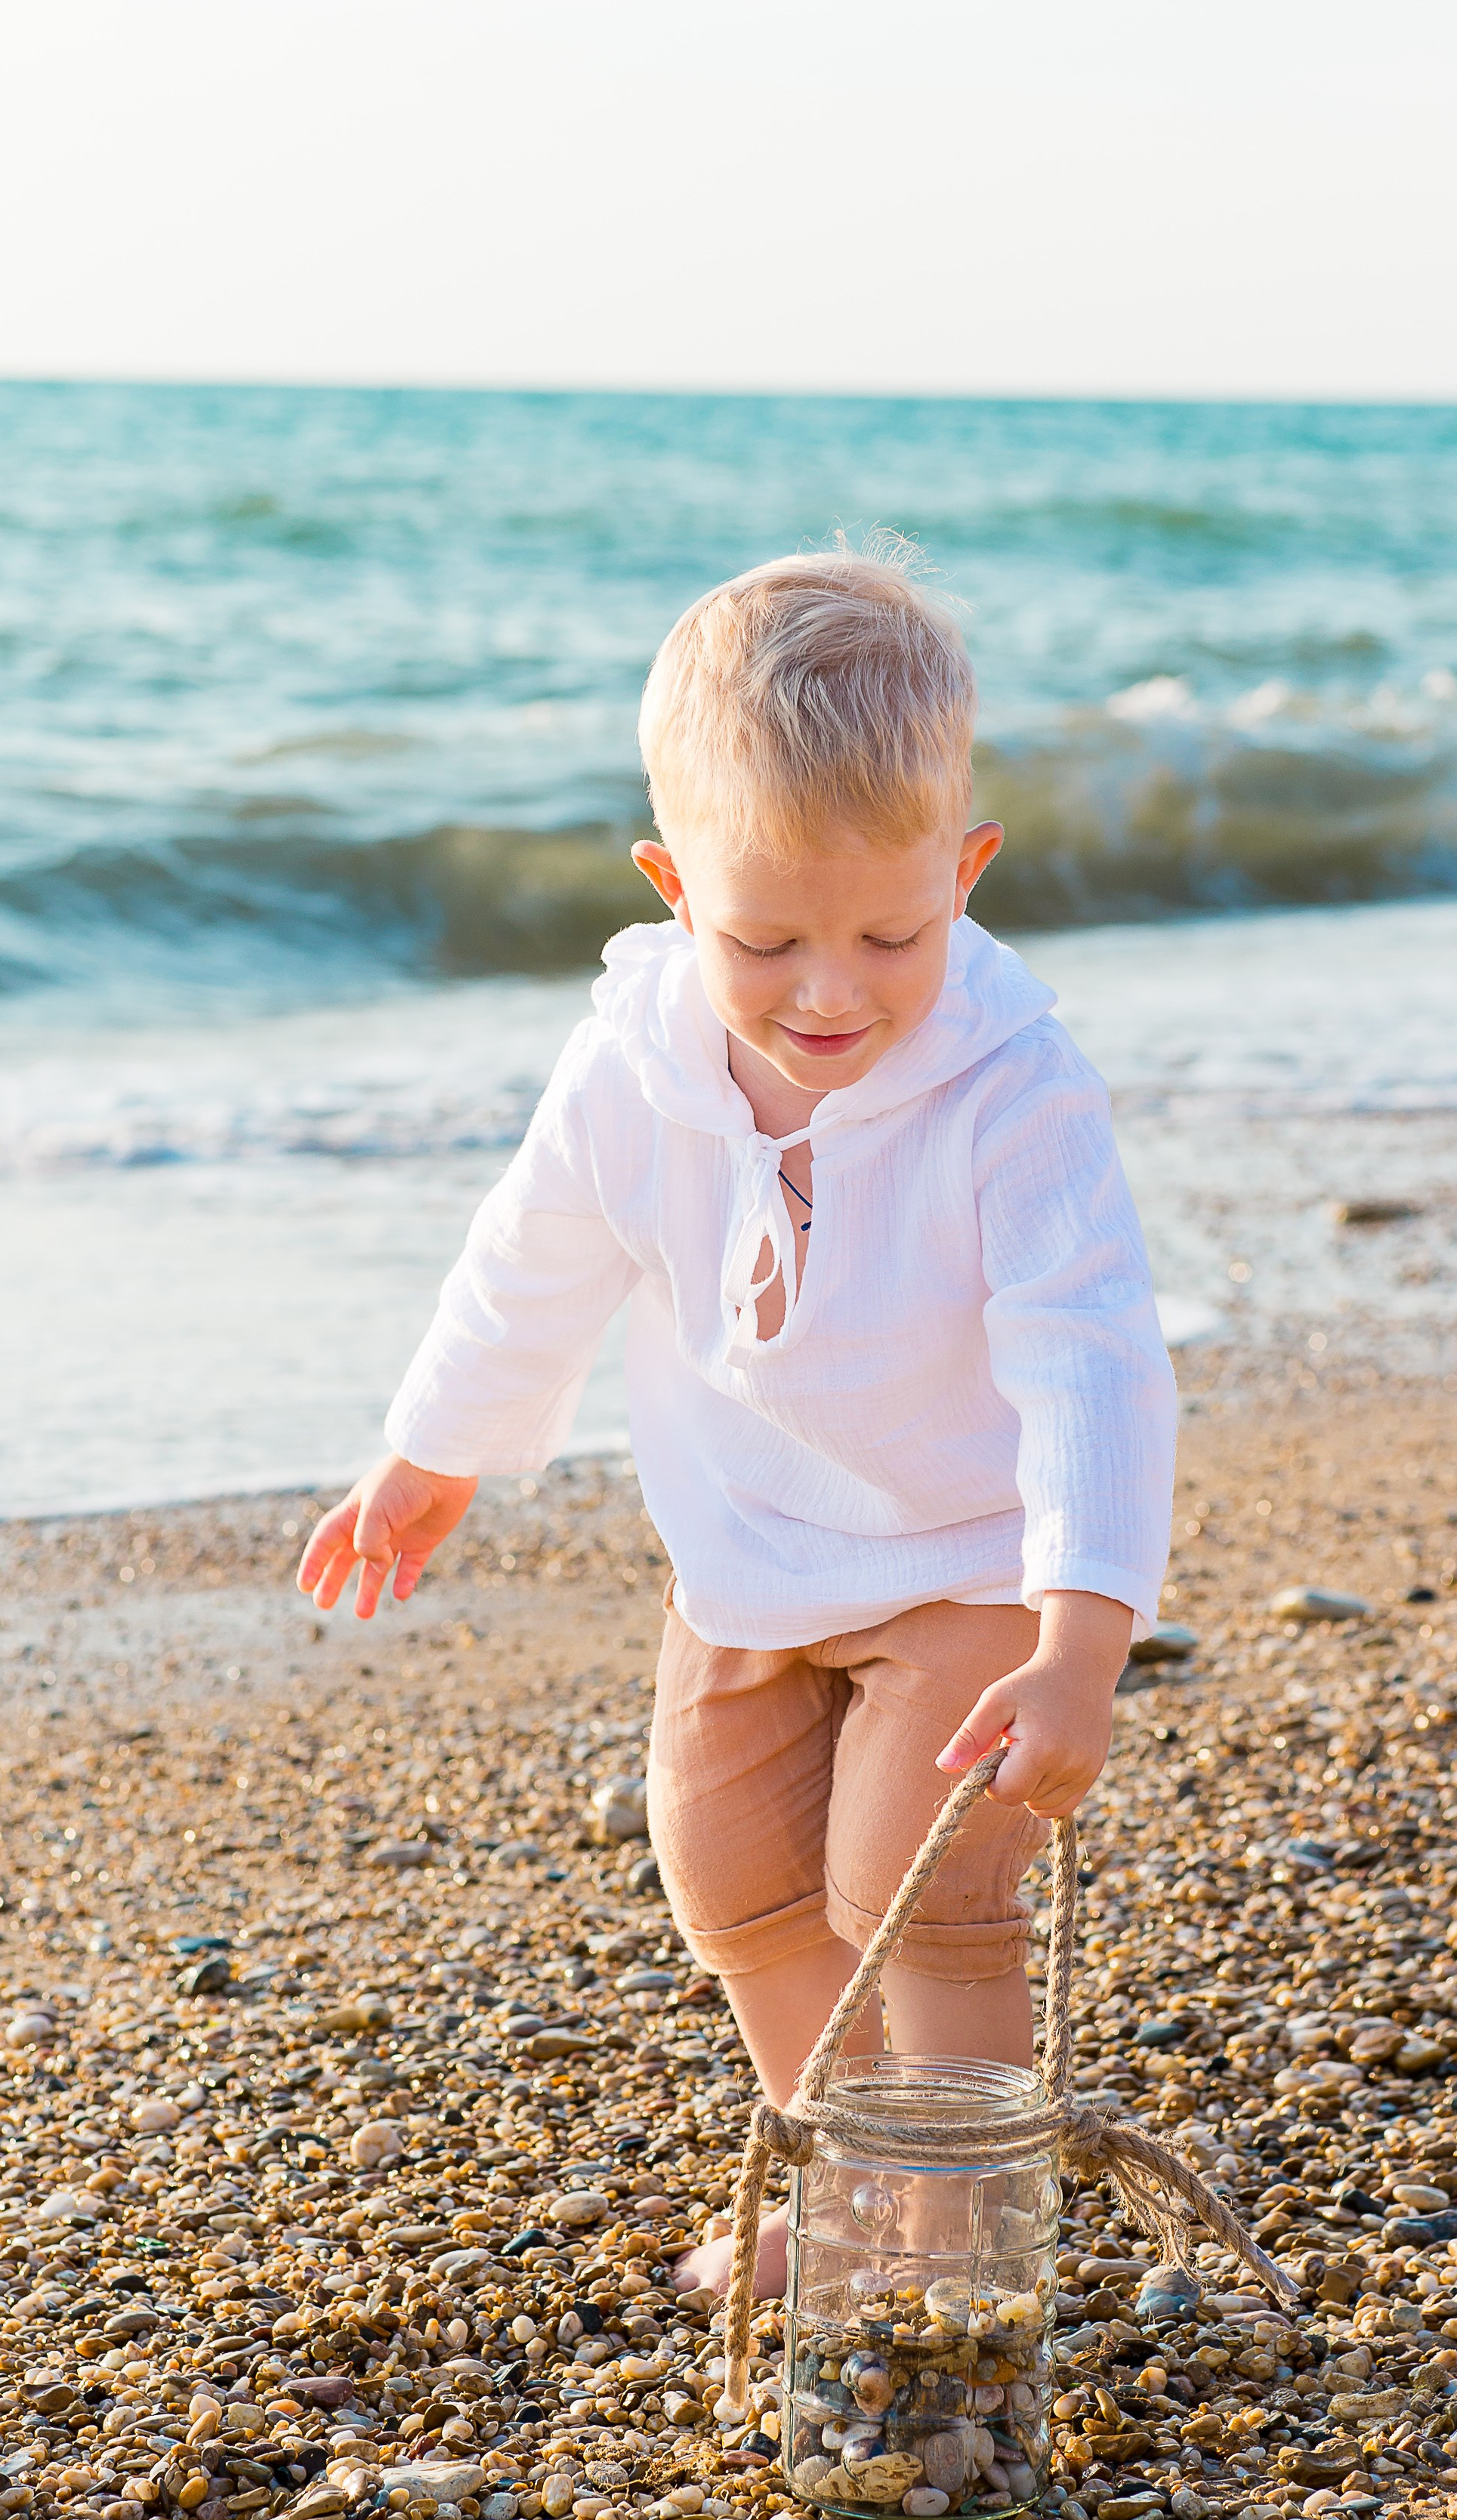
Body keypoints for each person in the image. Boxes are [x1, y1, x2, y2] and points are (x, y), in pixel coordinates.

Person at [298, 543, 1177, 2296]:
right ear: (672, 887)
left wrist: (1083, 1633)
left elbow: (1090, 1349)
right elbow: (533, 1251)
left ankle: (952, 2228)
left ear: (966, 869)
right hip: (748, 1547)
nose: (832, 989)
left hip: (964, 1552)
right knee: (734, 1872)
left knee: (910, 1880)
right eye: (765, 937)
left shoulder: (1011, 1080)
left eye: (891, 932)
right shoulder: (632, 1059)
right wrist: (430, 1452)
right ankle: (840, 2188)